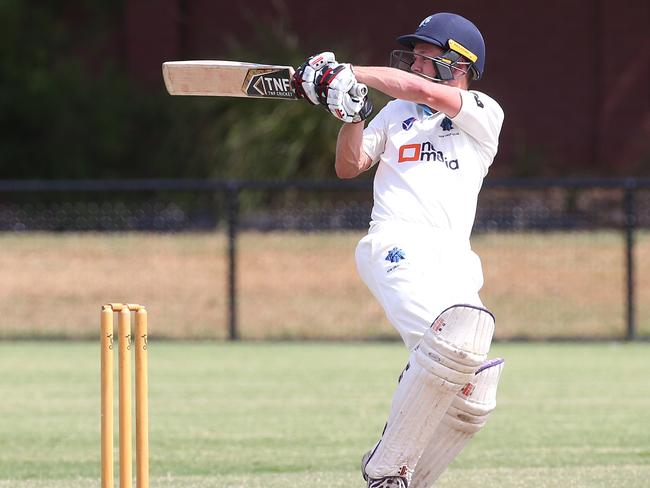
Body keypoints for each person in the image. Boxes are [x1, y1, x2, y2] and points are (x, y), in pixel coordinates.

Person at [293, 12, 505, 488]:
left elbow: (426, 93)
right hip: (395, 242)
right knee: (447, 348)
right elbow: (349, 166)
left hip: (454, 257)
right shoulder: (393, 115)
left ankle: (404, 479)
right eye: (413, 56)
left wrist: (350, 72)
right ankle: (386, 467)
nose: (415, 64)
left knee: (477, 386)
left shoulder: (483, 113)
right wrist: (351, 114)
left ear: (458, 65)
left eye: (427, 56)